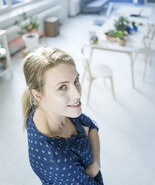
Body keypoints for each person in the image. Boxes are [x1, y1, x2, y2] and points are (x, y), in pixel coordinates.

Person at [22, 47, 104, 185]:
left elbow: (90, 125)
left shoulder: (59, 109)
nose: (77, 94)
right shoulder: (56, 159)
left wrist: (95, 163)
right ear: (37, 95)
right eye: (62, 87)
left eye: (76, 80)